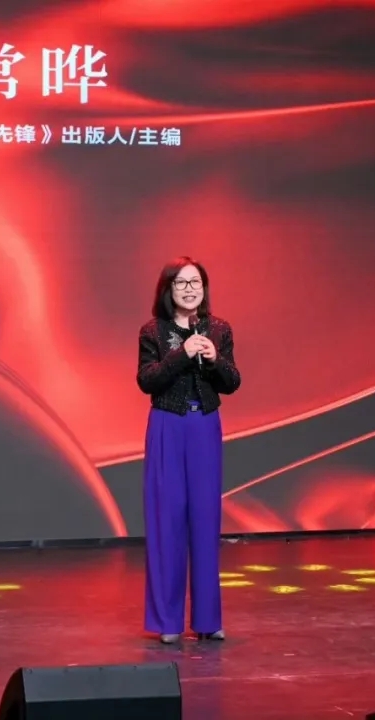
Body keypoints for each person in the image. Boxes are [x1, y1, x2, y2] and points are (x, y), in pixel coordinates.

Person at [136, 256, 241, 644]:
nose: (189, 289)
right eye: (181, 283)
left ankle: (208, 620)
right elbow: (147, 381)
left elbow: (232, 382)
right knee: (167, 520)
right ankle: (168, 622)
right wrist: (182, 353)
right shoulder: (153, 331)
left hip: (204, 426)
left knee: (205, 519)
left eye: (195, 282)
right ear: (168, 290)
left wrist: (214, 359)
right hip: (167, 425)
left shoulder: (219, 329)